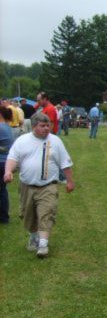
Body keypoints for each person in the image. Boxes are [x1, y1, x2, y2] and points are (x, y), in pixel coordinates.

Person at [3, 113, 75, 258]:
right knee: (27, 215)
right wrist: (8, 171)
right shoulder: (22, 140)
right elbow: (12, 157)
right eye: (43, 126)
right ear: (34, 126)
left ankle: (43, 245)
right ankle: (34, 236)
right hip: (27, 185)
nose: (47, 128)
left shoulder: (55, 141)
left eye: (48, 125)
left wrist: (69, 181)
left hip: (48, 185)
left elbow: (65, 163)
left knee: (46, 213)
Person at [0, 106, 14, 224]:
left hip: (1, 161)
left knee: (1, 191)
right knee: (2, 190)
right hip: (5, 162)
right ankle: (4, 216)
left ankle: (3, 217)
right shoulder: (7, 127)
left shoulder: (1, 127)